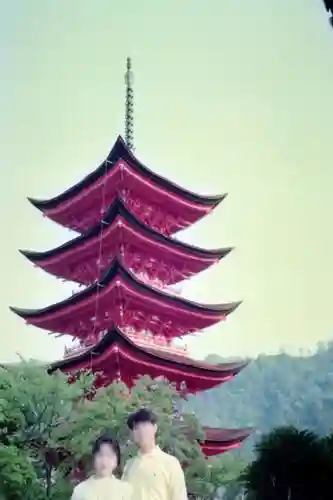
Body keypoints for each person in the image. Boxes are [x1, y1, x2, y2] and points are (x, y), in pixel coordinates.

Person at [122, 408, 187, 500]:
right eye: (136, 428)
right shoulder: (129, 465)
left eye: (144, 425)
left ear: (154, 428)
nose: (141, 431)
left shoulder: (170, 463)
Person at [71, 434, 132, 500]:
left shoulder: (125, 490)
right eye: (101, 455)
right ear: (94, 457)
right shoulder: (80, 491)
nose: (104, 461)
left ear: (117, 460)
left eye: (109, 456)